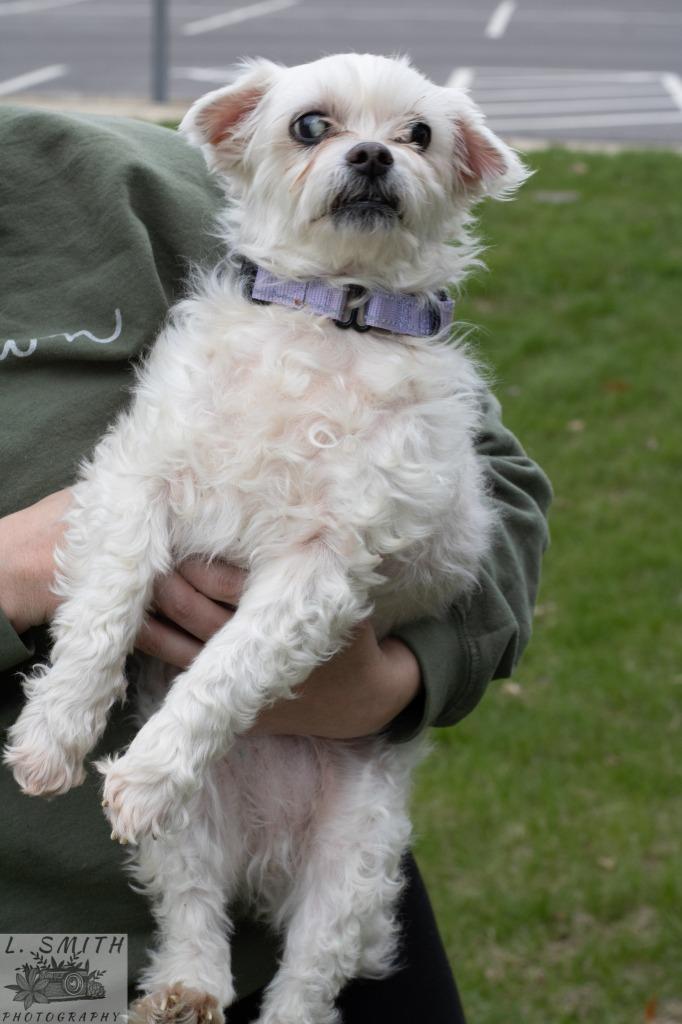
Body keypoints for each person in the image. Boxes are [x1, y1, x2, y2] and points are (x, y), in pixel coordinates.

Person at [0, 105, 551, 1022]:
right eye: (317, 127)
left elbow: (497, 486)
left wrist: (405, 674)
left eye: (411, 138)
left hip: (299, 852)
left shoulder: (133, 180)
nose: (369, 152)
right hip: (52, 929)